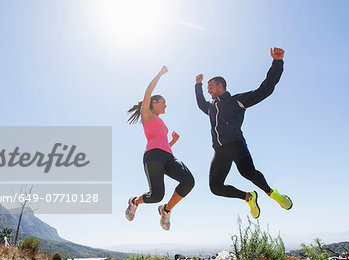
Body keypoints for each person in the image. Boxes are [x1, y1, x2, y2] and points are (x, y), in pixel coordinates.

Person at [194, 47, 292, 219]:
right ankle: (249, 197)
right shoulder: (210, 107)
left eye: (211, 87)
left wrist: (277, 63)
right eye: (207, 88)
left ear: (220, 86)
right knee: (215, 188)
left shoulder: (236, 101)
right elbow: (201, 103)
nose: (209, 90)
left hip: (236, 146)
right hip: (219, 150)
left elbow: (265, 89)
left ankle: (274, 194)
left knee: (248, 173)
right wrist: (198, 86)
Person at [125, 65, 194, 230]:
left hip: (168, 156)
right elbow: (148, 91)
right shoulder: (147, 115)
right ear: (153, 103)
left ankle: (166, 210)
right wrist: (160, 74)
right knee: (156, 195)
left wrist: (173, 142)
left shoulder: (161, 122)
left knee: (189, 181)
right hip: (153, 156)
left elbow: (162, 144)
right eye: (163, 102)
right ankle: (134, 202)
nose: (165, 106)